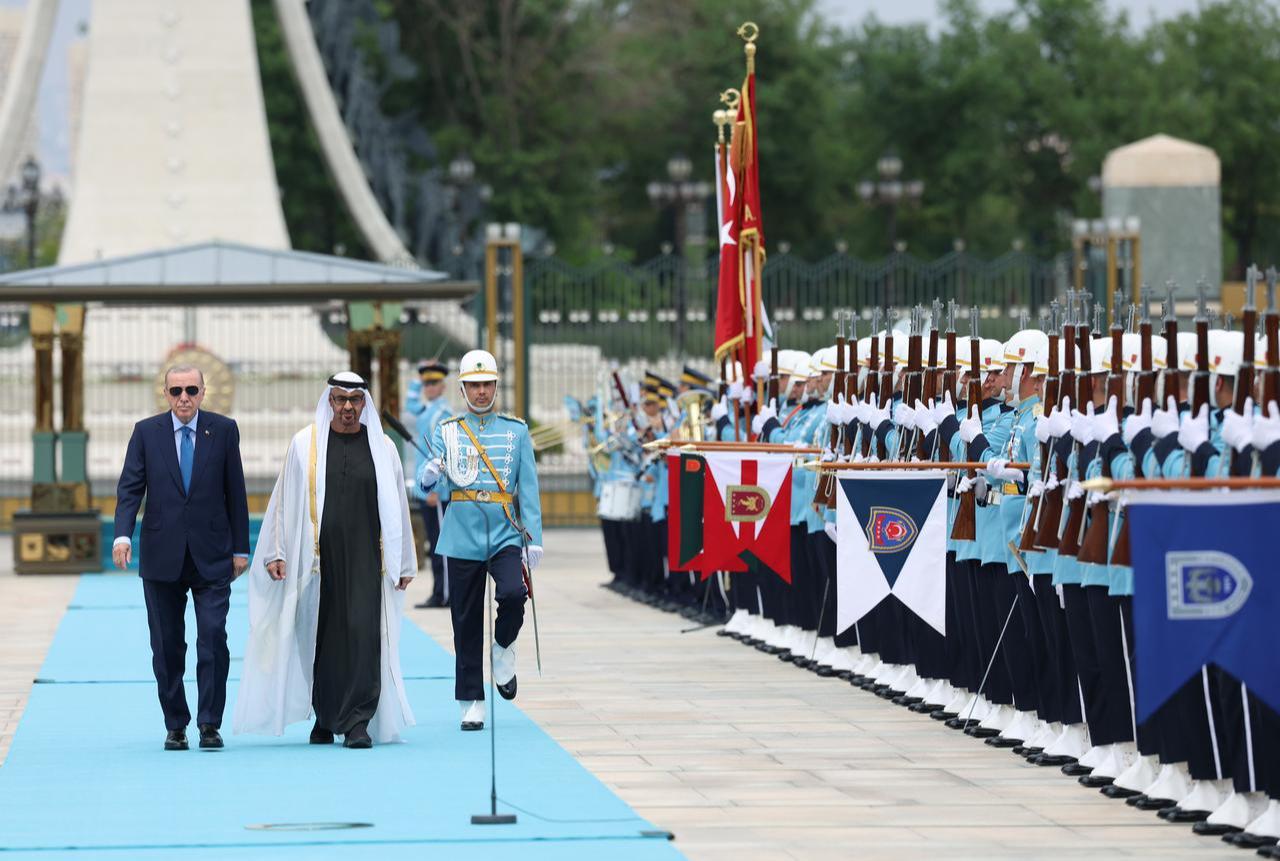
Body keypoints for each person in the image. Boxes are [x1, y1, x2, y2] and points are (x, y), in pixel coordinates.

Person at [233, 372, 417, 748]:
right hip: (317, 561)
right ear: (329, 402)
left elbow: (398, 506)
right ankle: (326, 714)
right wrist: (276, 551)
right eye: (339, 399)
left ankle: (358, 721)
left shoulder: (383, 448)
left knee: (363, 634)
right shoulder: (305, 444)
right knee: (320, 636)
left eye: (354, 400)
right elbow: (283, 502)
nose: (347, 407)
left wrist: (405, 563)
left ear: (364, 403)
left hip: (368, 559)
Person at [112, 364, 249, 751]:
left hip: (212, 555)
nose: (184, 398)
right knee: (167, 645)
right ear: (166, 394)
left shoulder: (223, 430)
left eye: (191, 389)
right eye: (176, 391)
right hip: (161, 556)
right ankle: (176, 724)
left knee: (212, 638)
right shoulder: (146, 432)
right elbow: (130, 487)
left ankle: (209, 723)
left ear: (203, 392)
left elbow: (235, 491)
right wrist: (123, 534)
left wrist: (241, 548)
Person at [417, 349, 543, 732]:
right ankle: (471, 699)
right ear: (463, 388)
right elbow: (431, 483)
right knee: (465, 620)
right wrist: (428, 474)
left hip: (505, 530)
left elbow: (529, 486)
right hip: (461, 532)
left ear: (495, 386)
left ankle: (503, 648)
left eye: (487, 384)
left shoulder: (516, 430)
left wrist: (533, 537)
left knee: (512, 594)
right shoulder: (448, 430)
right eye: (474, 386)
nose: (482, 392)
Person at [406, 359, 454, 608]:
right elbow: (409, 404)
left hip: (436, 490)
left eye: (434, 382)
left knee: (440, 544)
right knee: (434, 543)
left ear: (443, 385)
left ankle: (444, 594)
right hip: (426, 489)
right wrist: (416, 378)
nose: (429, 387)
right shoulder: (427, 410)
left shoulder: (442, 413)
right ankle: (440, 591)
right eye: (426, 383)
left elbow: (442, 453)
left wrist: (436, 488)